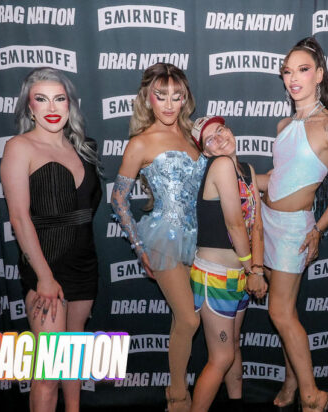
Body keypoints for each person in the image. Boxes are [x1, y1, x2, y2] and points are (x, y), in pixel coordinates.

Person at [256, 37, 328, 412]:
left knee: (279, 313)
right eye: (287, 72)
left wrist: (318, 229)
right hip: (266, 223)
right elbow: (278, 180)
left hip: (294, 231)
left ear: (319, 75)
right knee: (287, 314)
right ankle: (291, 382)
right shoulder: (284, 124)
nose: (293, 78)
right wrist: (237, 173)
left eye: (302, 70)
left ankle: (314, 397)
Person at [0, 67, 102, 412]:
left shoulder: (84, 148)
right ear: (29, 107)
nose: (52, 107)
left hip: (83, 265)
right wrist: (44, 276)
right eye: (41, 99)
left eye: (59, 98)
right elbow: (19, 217)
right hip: (46, 266)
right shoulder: (20, 147)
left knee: (72, 356)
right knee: (48, 374)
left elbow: (87, 209)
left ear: (70, 104)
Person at [110, 63, 206, 412]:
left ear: (185, 99)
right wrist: (139, 247)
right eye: (161, 95)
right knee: (190, 318)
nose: (168, 104)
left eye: (176, 96)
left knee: (184, 319)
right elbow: (118, 199)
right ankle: (177, 395)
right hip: (164, 238)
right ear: (147, 98)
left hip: (199, 238)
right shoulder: (141, 142)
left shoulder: (194, 135)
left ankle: (178, 391)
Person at [188, 116, 268, 412]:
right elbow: (235, 224)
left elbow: (256, 225)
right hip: (216, 276)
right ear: (206, 152)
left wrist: (256, 269)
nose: (220, 138)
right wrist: (252, 271)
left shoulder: (247, 169)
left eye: (221, 130)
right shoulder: (220, 165)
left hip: (240, 274)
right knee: (221, 357)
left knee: (233, 348)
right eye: (210, 139)